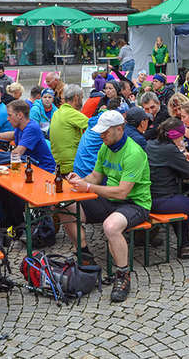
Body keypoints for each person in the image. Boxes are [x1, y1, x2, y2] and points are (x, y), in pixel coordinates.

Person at [64, 110, 152, 302]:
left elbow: (122, 192)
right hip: (110, 198)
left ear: (120, 129)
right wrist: (79, 181)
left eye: (105, 132)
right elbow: (96, 177)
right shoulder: (106, 147)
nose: (101, 135)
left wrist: (88, 187)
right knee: (65, 206)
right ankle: (85, 254)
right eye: (100, 132)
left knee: (110, 226)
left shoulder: (134, 152)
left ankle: (123, 275)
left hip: (135, 203)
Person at [146, 117, 189, 258]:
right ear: (178, 137)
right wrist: (182, 152)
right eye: (182, 136)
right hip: (163, 199)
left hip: (149, 196)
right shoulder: (170, 149)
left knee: (183, 205)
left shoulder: (151, 144)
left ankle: (185, 245)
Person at [0, 100, 56, 173]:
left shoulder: (32, 128)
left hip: (43, 170)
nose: (8, 118)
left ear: (20, 115)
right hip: (30, 166)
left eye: (10, 115)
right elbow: (13, 135)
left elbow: (16, 154)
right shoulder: (21, 125)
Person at [49, 84, 88, 174]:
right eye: (82, 98)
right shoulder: (72, 113)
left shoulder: (56, 113)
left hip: (58, 164)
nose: (82, 101)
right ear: (76, 98)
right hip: (72, 166)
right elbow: (95, 127)